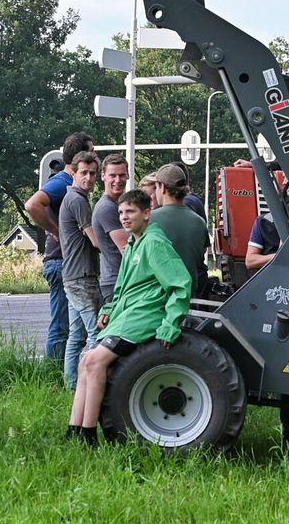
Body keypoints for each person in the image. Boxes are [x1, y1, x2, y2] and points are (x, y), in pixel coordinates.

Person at [66, 189, 192, 447]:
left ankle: (89, 434)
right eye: (121, 212)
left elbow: (180, 284)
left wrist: (170, 325)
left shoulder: (155, 244)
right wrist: (109, 309)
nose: (124, 217)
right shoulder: (135, 242)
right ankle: (74, 429)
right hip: (128, 314)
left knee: (95, 362)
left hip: (144, 316)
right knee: (85, 362)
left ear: (147, 213)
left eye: (130, 212)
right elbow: (123, 287)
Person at [25, 131, 94, 364]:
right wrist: (56, 231)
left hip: (64, 260)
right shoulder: (62, 182)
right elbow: (33, 204)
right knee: (62, 325)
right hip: (60, 261)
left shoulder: (71, 186)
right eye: (90, 151)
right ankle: (53, 371)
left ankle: (65, 375)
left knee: (71, 327)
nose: (94, 155)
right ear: (78, 156)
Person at [58, 151, 102, 390]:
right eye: (83, 173)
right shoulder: (78, 200)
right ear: (73, 173)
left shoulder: (71, 199)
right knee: (96, 332)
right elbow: (96, 241)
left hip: (72, 276)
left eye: (92, 173)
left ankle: (71, 387)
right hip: (82, 277)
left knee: (76, 337)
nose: (88, 178)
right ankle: (92, 388)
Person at [150, 163, 211, 298]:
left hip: (157, 298)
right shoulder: (199, 222)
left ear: (163, 187)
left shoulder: (148, 220)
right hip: (188, 296)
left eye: (156, 187)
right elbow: (202, 252)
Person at [91, 155, 131, 303]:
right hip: (116, 284)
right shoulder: (107, 208)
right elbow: (128, 249)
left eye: (121, 175)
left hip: (121, 281)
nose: (117, 180)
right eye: (112, 175)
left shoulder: (120, 205)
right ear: (103, 176)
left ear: (127, 175)